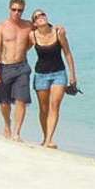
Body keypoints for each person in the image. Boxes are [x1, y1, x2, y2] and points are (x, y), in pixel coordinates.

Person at [30, 8, 78, 148]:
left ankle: (49, 139)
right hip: (40, 75)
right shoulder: (32, 36)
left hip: (59, 74)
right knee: (43, 108)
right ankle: (45, 137)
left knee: (54, 106)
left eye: (42, 14)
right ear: (34, 23)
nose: (40, 16)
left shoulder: (58, 33)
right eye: (37, 16)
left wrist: (72, 75)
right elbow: (21, 47)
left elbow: (67, 53)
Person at [0, 0, 34, 141]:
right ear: (9, 9)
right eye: (14, 10)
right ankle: (7, 124)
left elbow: (44, 29)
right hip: (4, 67)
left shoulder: (28, 26)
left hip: (22, 67)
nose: (17, 13)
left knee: (22, 100)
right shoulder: (1, 27)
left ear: (23, 11)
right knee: (4, 103)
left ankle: (17, 133)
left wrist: (57, 29)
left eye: (20, 10)